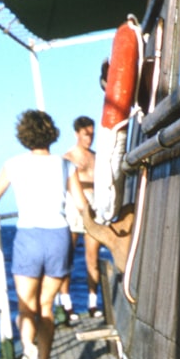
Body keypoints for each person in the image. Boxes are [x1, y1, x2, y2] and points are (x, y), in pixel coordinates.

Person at [0, 110, 91, 359]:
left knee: (25, 305)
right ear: (51, 133)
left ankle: (27, 347)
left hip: (28, 237)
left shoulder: (13, 164)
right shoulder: (65, 165)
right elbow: (81, 204)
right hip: (58, 237)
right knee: (46, 305)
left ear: (24, 134)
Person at [62, 115, 104, 319]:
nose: (90, 139)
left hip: (94, 208)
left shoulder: (97, 157)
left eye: (92, 135)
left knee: (92, 257)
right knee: (66, 257)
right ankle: (67, 304)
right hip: (72, 209)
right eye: (86, 135)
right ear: (77, 134)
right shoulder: (68, 157)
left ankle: (93, 303)